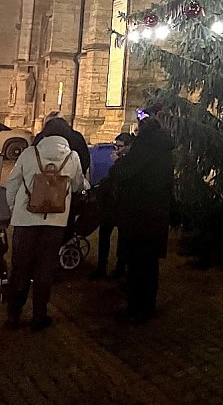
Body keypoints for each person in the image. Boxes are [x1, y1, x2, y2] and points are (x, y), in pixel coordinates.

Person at [5, 131, 87, 331]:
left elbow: (12, 183)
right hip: (55, 222)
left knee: (20, 267)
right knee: (45, 269)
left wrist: (12, 209)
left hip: (25, 221)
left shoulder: (29, 153)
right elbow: (77, 186)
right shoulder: (72, 157)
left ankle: (13, 315)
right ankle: (39, 316)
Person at [114, 115, 173, 324]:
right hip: (156, 215)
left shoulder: (143, 147)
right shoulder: (165, 149)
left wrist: (118, 162)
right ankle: (149, 305)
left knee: (137, 265)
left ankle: (136, 308)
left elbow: (124, 174)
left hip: (138, 216)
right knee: (151, 265)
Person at [89, 132, 133, 280]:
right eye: (116, 146)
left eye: (120, 146)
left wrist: (117, 163)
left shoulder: (130, 160)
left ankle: (120, 269)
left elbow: (121, 177)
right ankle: (101, 267)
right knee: (104, 235)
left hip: (122, 205)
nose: (117, 149)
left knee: (123, 239)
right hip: (110, 204)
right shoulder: (116, 157)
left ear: (128, 146)